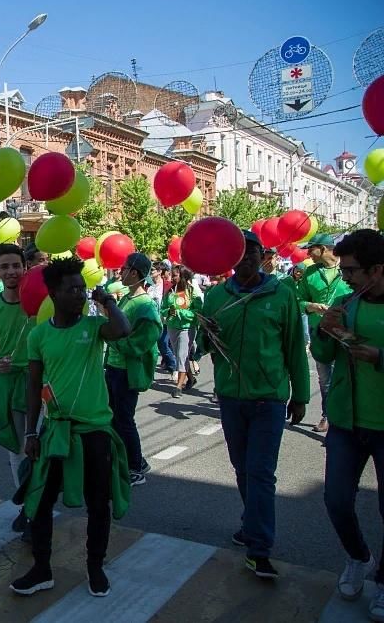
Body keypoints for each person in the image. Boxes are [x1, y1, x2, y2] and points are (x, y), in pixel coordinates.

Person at [12, 258, 131, 597]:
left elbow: (122, 330)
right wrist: (32, 433)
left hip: (94, 433)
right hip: (55, 432)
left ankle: (95, 568)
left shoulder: (93, 327)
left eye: (82, 289)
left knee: (98, 503)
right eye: (72, 289)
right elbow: (34, 387)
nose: (79, 294)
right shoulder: (39, 334)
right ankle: (41, 569)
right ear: (53, 293)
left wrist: (105, 299)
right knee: (41, 501)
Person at [199, 230, 309, 580]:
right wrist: (207, 333)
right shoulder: (215, 296)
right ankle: (251, 524)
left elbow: (294, 346)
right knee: (242, 469)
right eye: (239, 254)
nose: (246, 259)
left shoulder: (282, 294)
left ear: (263, 256)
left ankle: (259, 548)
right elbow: (206, 346)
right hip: (231, 397)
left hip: (269, 398)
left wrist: (301, 395)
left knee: (261, 473)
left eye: (252, 253)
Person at [312, 229, 384, 616]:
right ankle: (358, 556)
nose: (346, 278)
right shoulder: (344, 303)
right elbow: (325, 352)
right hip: (346, 422)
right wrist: (325, 331)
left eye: (352, 271)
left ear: (376, 270)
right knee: (336, 500)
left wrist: (380, 356)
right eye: (342, 271)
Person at [0, 244, 36, 534]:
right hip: (8, 383)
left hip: (37, 382)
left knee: (37, 444)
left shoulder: (37, 301)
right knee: (16, 446)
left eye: (16, 265)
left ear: (25, 267)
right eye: (5, 266)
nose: (11, 271)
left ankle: (36, 506)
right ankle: (28, 506)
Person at [104, 253, 161, 486]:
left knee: (125, 420)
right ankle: (132, 460)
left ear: (135, 273)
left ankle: (136, 468)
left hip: (127, 370)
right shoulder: (127, 298)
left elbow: (144, 341)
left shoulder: (146, 306)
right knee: (115, 418)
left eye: (124, 268)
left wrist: (113, 341)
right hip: (115, 366)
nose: (120, 272)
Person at [298, 233, 352, 434]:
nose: (308, 253)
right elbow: (298, 301)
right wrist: (311, 306)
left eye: (311, 249)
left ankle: (346, 416)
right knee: (324, 378)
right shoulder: (310, 273)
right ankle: (327, 416)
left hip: (346, 331)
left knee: (346, 374)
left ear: (324, 248)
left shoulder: (348, 270)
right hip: (320, 334)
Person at [161, 266, 201, 398]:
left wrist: (181, 313)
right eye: (172, 275)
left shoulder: (192, 292)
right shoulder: (170, 291)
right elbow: (163, 308)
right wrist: (168, 311)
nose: (172, 278)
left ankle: (178, 386)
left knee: (181, 354)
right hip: (172, 327)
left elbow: (198, 312)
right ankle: (191, 378)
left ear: (183, 276)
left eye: (175, 275)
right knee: (180, 356)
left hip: (187, 328)